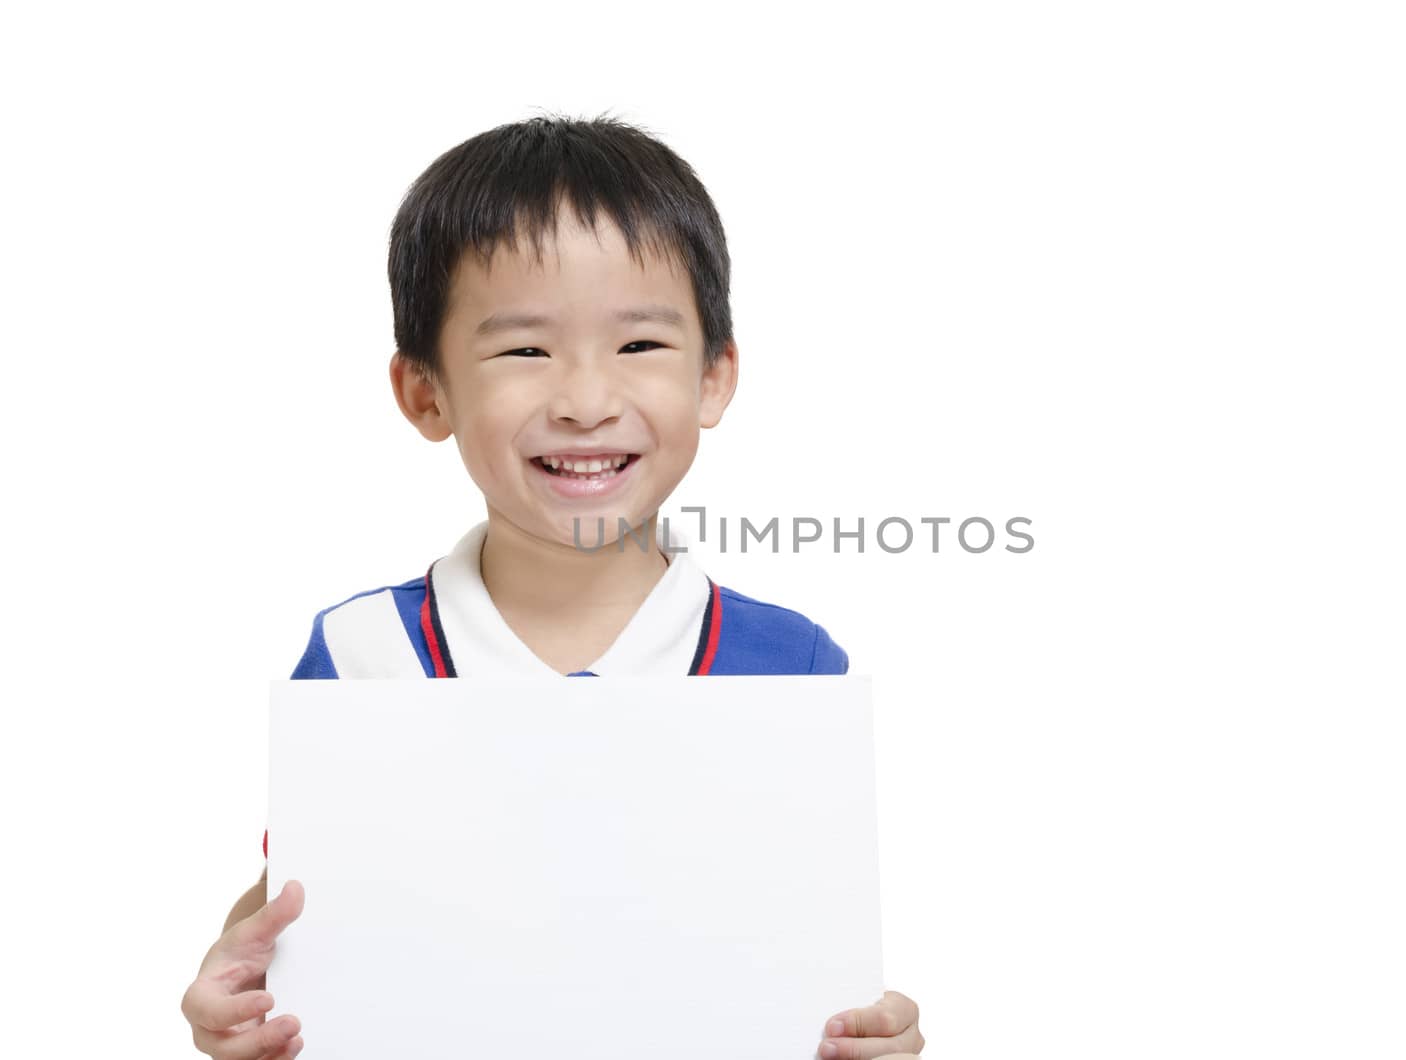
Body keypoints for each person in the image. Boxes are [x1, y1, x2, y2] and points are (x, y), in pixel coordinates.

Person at [179, 114, 927, 1060]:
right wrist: (232, 987)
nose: (584, 399)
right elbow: (302, 903)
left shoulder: (790, 666)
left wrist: (870, 1030)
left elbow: (807, 946)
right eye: (525, 351)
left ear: (715, 377)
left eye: (640, 346)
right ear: (425, 393)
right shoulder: (362, 654)